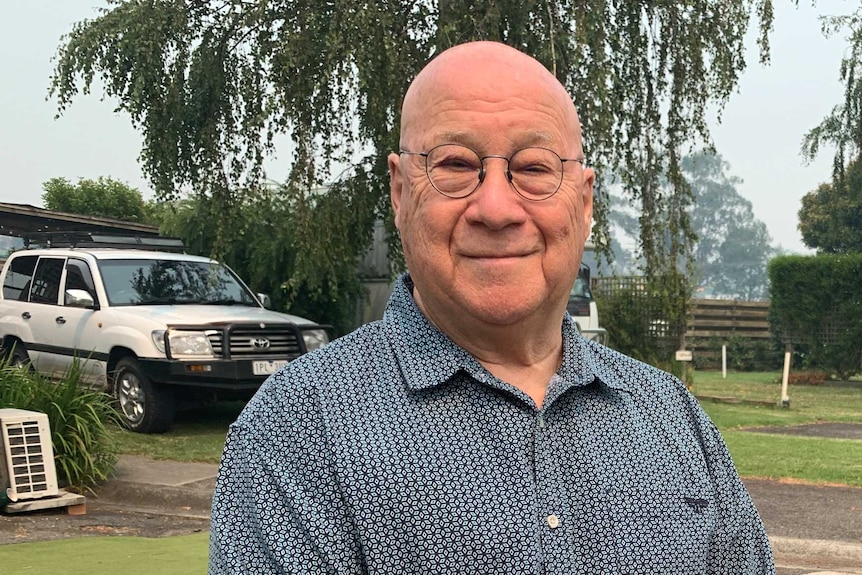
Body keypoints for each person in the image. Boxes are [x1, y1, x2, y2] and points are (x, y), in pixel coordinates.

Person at [209, 41, 774, 574]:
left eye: (533, 168)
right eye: (455, 164)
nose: (497, 208)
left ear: (583, 201)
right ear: (402, 191)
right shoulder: (300, 428)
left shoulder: (672, 417)